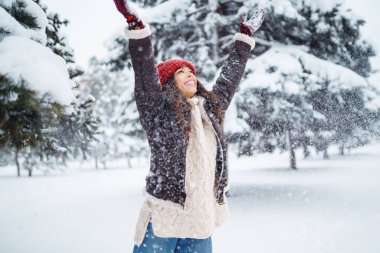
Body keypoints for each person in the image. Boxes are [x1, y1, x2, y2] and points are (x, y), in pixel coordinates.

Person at [112, 1, 264, 252]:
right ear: (168, 83)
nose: (190, 74)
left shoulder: (209, 110)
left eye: (191, 71)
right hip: (166, 214)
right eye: (180, 72)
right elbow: (145, 78)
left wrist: (243, 40)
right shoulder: (158, 114)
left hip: (199, 216)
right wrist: (137, 28)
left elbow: (227, 81)